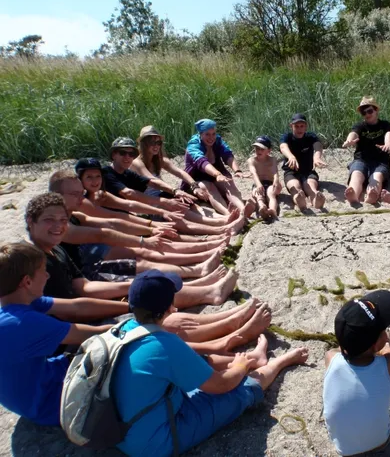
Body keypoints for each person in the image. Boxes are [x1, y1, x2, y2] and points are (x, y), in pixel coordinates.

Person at [111, 269, 309, 456]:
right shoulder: (165, 344)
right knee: (240, 390)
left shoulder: (124, 328)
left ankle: (255, 358)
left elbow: (180, 355)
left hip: (120, 430)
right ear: (170, 307)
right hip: (152, 444)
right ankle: (280, 362)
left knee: (197, 364)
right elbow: (222, 385)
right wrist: (240, 367)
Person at [25, 193, 239, 308]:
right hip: (79, 309)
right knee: (148, 292)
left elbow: (114, 222)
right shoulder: (35, 260)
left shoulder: (56, 249)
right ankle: (209, 291)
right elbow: (104, 234)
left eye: (61, 220)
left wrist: (151, 228)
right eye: (49, 220)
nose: (58, 225)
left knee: (145, 274)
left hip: (86, 290)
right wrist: (144, 240)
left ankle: (199, 275)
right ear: (31, 222)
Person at [0, 242, 123, 426]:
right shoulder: (24, 323)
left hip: (41, 381)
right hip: (50, 403)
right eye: (43, 271)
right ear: (27, 281)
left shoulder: (18, 303)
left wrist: (129, 306)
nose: (48, 275)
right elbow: (92, 335)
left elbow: (77, 307)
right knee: (128, 347)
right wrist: (141, 320)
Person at [77, 158, 246, 237]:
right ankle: (221, 229)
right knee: (167, 233)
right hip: (109, 233)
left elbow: (150, 184)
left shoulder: (103, 192)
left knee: (178, 208)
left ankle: (222, 223)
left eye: (96, 177)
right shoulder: (123, 169)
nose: (95, 181)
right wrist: (161, 207)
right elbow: (126, 202)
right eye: (89, 177)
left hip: (128, 219)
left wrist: (176, 192)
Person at [323, 290, 390, 456]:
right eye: (384, 331)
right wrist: (388, 347)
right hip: (380, 442)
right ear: (375, 344)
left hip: (343, 447)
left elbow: (339, 351)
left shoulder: (330, 358)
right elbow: (389, 353)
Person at [184, 119, 253, 217]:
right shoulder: (193, 145)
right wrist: (218, 174)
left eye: (213, 134)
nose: (211, 137)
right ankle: (228, 214)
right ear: (200, 134)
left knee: (228, 183)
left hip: (215, 176)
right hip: (196, 180)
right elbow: (202, 162)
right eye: (207, 134)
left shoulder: (218, 141)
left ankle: (243, 209)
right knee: (209, 186)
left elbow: (228, 155)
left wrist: (237, 170)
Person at [131, 125, 213, 204]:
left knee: (190, 204)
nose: (156, 146)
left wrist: (195, 186)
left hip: (160, 196)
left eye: (158, 142)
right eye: (152, 143)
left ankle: (224, 215)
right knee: (183, 207)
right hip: (147, 202)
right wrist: (175, 191)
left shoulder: (158, 160)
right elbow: (153, 180)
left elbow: (180, 172)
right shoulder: (137, 163)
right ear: (144, 144)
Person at [342, 97, 390, 205]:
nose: (367, 114)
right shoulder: (360, 126)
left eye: (370, 111)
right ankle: (354, 195)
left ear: (376, 110)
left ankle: (372, 195)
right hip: (361, 159)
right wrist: (349, 140)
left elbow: (388, 134)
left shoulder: (385, 125)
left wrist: (387, 144)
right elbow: (354, 133)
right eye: (363, 112)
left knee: (377, 177)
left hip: (380, 161)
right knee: (357, 174)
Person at [279, 113, 326, 210]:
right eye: (296, 126)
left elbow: (318, 146)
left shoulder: (310, 136)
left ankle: (316, 200)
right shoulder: (287, 137)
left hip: (308, 171)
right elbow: (283, 146)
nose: (299, 129)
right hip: (291, 171)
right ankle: (300, 201)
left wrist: (317, 157)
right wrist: (291, 156)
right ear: (291, 126)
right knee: (295, 188)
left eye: (302, 126)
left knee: (310, 186)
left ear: (306, 126)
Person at [247, 136, 281, 219]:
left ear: (268, 151)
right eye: (257, 148)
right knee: (258, 194)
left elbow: (275, 172)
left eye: (262, 149)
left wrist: (276, 181)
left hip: (270, 183)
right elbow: (253, 173)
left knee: (270, 193)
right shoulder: (252, 160)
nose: (259, 151)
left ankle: (272, 210)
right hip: (259, 182)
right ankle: (262, 207)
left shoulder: (272, 160)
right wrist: (258, 184)